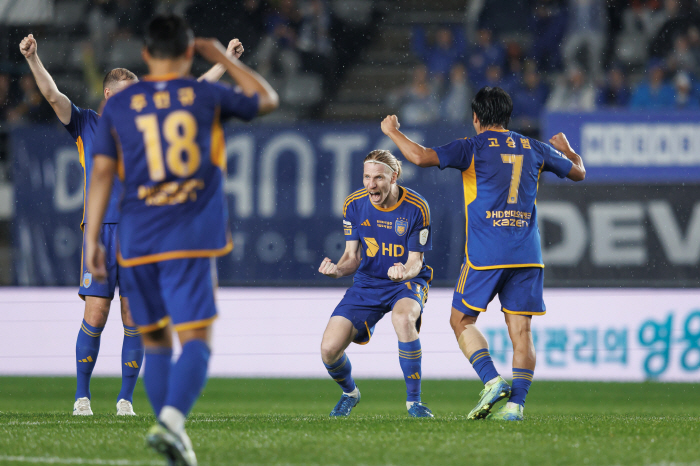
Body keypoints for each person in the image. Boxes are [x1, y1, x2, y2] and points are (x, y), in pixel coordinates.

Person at [19, 32, 244, 417]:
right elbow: (53, 95)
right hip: (101, 231)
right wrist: (33, 59)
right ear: (109, 96)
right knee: (95, 314)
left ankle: (125, 400)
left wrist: (227, 64)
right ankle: (81, 397)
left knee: (133, 317)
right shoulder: (86, 124)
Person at [85, 14, 278, 465]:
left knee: (154, 341)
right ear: (190, 53)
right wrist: (222, 60)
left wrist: (91, 238)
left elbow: (102, 176)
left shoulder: (118, 107)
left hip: (134, 240)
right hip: (189, 237)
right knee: (195, 340)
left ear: (147, 56)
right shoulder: (204, 94)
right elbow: (266, 98)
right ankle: (171, 422)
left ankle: (173, 435)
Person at [380, 86, 585, 421]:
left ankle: (492, 380)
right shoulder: (534, 147)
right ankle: (516, 407)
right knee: (521, 331)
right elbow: (579, 173)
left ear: (476, 118)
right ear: (508, 116)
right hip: (528, 253)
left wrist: (392, 132)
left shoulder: (471, 146)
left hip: (486, 253)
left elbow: (419, 156)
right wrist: (569, 151)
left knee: (460, 320)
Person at [318, 150, 434, 418]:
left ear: (394, 177)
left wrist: (403, 271)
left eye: (378, 178)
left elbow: (416, 261)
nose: (371, 185)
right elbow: (351, 257)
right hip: (368, 283)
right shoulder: (353, 204)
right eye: (366, 177)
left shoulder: (417, 207)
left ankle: (414, 403)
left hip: (405, 283)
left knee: (404, 319)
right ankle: (350, 393)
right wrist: (336, 271)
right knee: (329, 350)